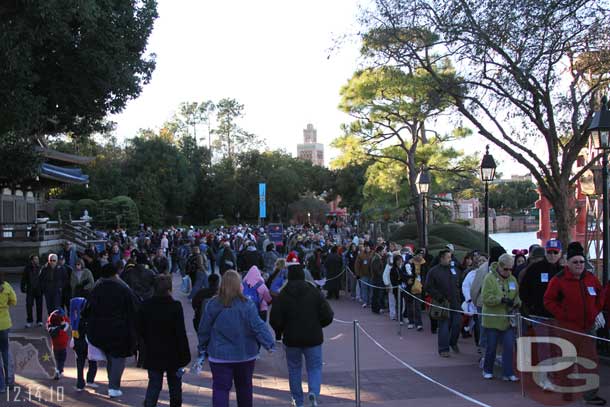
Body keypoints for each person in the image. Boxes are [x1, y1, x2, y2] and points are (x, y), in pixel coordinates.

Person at [198, 270, 275, 407]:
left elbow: (204, 328)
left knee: (220, 389)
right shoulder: (247, 305)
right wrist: (269, 343)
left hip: (219, 354)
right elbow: (258, 326)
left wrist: (202, 346)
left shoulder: (213, 304)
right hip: (244, 354)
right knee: (244, 388)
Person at [544, 241, 606, 406]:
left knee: (591, 362)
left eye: (581, 262)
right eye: (575, 262)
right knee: (566, 362)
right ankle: (566, 392)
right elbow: (548, 301)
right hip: (567, 329)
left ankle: (591, 395)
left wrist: (596, 309)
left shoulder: (590, 278)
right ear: (568, 263)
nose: (579, 265)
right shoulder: (559, 280)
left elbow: (601, 294)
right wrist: (564, 315)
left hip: (587, 328)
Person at [270, 265, 334, 407]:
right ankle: (314, 393)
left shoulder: (283, 294)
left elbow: (274, 319)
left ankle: (297, 400)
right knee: (315, 367)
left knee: (294, 369)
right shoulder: (314, 292)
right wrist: (318, 325)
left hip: (291, 338)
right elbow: (328, 315)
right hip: (313, 337)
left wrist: (279, 333)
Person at [83, 263, 137, 398]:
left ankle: (112, 382)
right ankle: (113, 386)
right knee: (118, 358)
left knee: (109, 357)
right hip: (119, 330)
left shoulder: (97, 288)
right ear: (115, 274)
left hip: (98, 330)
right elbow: (135, 306)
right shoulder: (123, 288)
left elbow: (87, 309)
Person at [138, 274, 191, 407]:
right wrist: (185, 355)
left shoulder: (146, 305)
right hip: (173, 352)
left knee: (154, 384)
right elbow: (180, 332)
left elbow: (140, 328)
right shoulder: (175, 306)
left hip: (153, 350)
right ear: (169, 288)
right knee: (175, 386)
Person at [480, 253, 520, 381]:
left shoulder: (513, 279)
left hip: (508, 319)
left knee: (509, 346)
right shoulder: (489, 278)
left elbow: (517, 296)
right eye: (506, 269)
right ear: (500, 266)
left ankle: (508, 372)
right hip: (492, 320)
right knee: (491, 346)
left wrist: (517, 302)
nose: (508, 272)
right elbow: (486, 298)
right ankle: (487, 369)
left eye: (510, 269)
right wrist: (501, 300)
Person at [425, 249, 462, 357]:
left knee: (457, 324)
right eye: (448, 257)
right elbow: (428, 287)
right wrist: (439, 297)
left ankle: (453, 342)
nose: (451, 259)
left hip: (455, 302)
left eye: (451, 257)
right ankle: (443, 349)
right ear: (442, 258)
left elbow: (459, 283)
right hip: (442, 303)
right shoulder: (433, 271)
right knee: (444, 326)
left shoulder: (454, 269)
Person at [520, 239, 563, 319]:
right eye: (549, 252)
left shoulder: (564, 271)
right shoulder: (534, 268)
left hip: (559, 315)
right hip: (539, 314)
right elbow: (523, 290)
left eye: (555, 252)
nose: (552, 255)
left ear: (560, 253)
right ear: (545, 253)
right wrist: (531, 306)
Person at [69, 297, 98, 391]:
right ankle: (90, 380)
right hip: (88, 344)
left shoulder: (74, 318)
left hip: (78, 344)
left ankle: (80, 384)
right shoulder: (88, 317)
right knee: (92, 362)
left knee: (80, 365)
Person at [0, 272, 17, 393]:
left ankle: (1, 385)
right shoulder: (6, 286)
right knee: (6, 352)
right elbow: (14, 301)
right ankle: (9, 381)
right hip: (4, 322)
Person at [47, 308, 70, 380]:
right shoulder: (62, 328)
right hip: (63, 346)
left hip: (55, 346)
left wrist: (53, 314)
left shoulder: (50, 328)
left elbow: (48, 321)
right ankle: (59, 370)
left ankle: (58, 369)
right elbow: (67, 323)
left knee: (57, 359)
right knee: (62, 359)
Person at [21, 254, 43, 327]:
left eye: (37, 259)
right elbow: (23, 278)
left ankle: (39, 320)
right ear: (32, 260)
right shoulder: (27, 268)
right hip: (30, 290)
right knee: (29, 305)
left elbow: (44, 279)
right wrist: (23, 287)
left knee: (39, 306)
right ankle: (29, 321)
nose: (37, 260)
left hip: (39, 289)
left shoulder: (40, 268)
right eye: (35, 259)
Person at [354, 243, 372, 308]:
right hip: (363, 275)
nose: (367, 247)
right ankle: (365, 302)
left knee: (371, 289)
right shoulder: (360, 255)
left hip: (371, 275)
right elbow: (357, 265)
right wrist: (357, 274)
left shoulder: (373, 253)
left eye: (368, 246)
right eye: (366, 246)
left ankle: (370, 302)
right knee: (364, 289)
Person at [370, 245, 386, 314]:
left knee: (376, 294)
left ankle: (375, 308)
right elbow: (376, 270)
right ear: (379, 251)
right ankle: (376, 309)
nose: (384, 252)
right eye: (383, 251)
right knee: (377, 294)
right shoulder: (377, 258)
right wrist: (382, 275)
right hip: (377, 279)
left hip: (376, 279)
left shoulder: (377, 257)